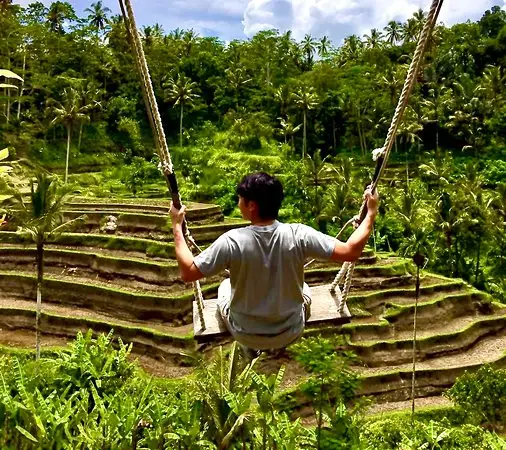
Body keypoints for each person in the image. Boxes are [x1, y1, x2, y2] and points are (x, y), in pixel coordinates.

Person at [170, 172, 378, 353]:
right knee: (304, 288)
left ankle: (253, 344)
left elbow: (188, 273)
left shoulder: (232, 241)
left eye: (240, 199)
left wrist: (177, 228)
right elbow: (351, 251)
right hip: (290, 331)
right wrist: (371, 213)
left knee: (225, 286)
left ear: (252, 205)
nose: (238, 203)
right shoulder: (299, 234)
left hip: (245, 333)